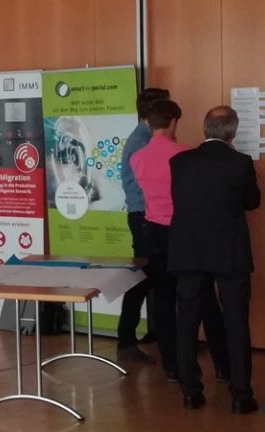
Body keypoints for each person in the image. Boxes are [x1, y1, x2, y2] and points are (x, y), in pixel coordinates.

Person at [168, 106, 260, 413]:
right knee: (236, 321)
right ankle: (241, 395)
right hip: (229, 252)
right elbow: (252, 202)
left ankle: (190, 392)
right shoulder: (240, 163)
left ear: (205, 129)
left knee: (187, 321)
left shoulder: (179, 162)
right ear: (232, 132)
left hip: (188, 251)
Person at [130, 99, 229, 384]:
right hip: (186, 233)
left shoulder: (137, 158)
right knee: (205, 298)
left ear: (149, 123)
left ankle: (172, 366)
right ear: (173, 122)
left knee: (163, 298)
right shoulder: (186, 154)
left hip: (153, 233)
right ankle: (222, 364)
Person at [116, 88, 170, 364]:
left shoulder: (145, 138)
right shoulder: (142, 143)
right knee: (142, 277)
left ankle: (162, 335)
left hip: (146, 216)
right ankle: (126, 340)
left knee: (152, 275)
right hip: (144, 217)